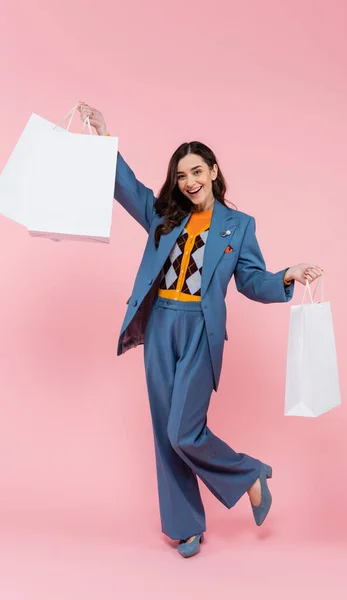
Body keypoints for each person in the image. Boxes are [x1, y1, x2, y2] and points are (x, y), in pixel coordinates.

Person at [77, 101, 323, 558]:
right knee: (162, 430)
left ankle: (249, 473)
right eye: (181, 175)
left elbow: (251, 280)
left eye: (196, 172)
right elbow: (125, 186)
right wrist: (103, 137)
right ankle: (185, 526)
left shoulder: (238, 226)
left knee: (183, 431)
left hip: (200, 332)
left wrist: (287, 275)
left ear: (213, 170)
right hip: (161, 323)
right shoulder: (163, 215)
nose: (188, 182)